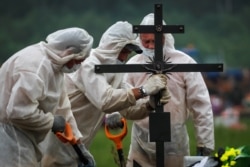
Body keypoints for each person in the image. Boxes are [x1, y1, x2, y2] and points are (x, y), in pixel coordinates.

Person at [41, 21, 170, 167]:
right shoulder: (89, 64)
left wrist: (149, 104)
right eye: (123, 50)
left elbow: (128, 109)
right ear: (111, 45)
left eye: (128, 52)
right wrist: (144, 90)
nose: (124, 57)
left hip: (78, 145)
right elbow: (106, 101)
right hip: (56, 142)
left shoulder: (115, 72)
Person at [106, 13, 215, 167]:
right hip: (140, 141)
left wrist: (205, 144)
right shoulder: (133, 65)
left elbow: (201, 105)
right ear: (140, 40)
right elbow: (120, 93)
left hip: (175, 141)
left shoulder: (184, 63)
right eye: (146, 42)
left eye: (155, 41)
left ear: (165, 38)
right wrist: (114, 113)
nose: (151, 46)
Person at [0, 27, 95, 166]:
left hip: (25, 136)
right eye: (77, 61)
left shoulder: (55, 66)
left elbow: (62, 107)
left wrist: (79, 146)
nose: (77, 66)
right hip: (10, 139)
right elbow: (18, 112)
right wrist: (51, 122)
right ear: (68, 52)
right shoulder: (35, 68)